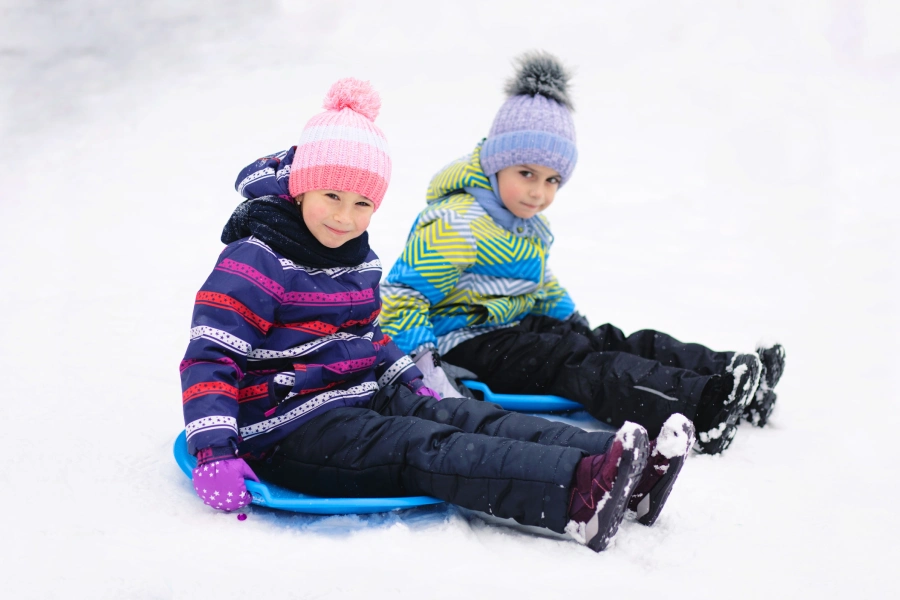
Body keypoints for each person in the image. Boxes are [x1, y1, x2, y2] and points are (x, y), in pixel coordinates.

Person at [179, 78, 694, 552]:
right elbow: (210, 356)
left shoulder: (354, 255)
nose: (344, 216)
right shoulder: (257, 260)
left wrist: (406, 375)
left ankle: (624, 466)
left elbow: (367, 334)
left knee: (466, 415)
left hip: (362, 396)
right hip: (290, 427)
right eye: (331, 196)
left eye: (362, 203)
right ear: (301, 187)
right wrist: (215, 453)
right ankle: (578, 494)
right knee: (427, 447)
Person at [379, 52, 786, 455]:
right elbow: (405, 295)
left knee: (605, 338)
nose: (539, 192)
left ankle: (727, 373)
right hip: (462, 343)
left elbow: (539, 281)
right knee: (578, 362)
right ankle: (706, 403)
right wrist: (426, 365)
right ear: (495, 164)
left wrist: (571, 318)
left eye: (552, 180)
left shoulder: (528, 224)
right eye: (526, 174)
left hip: (515, 328)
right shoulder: (456, 221)